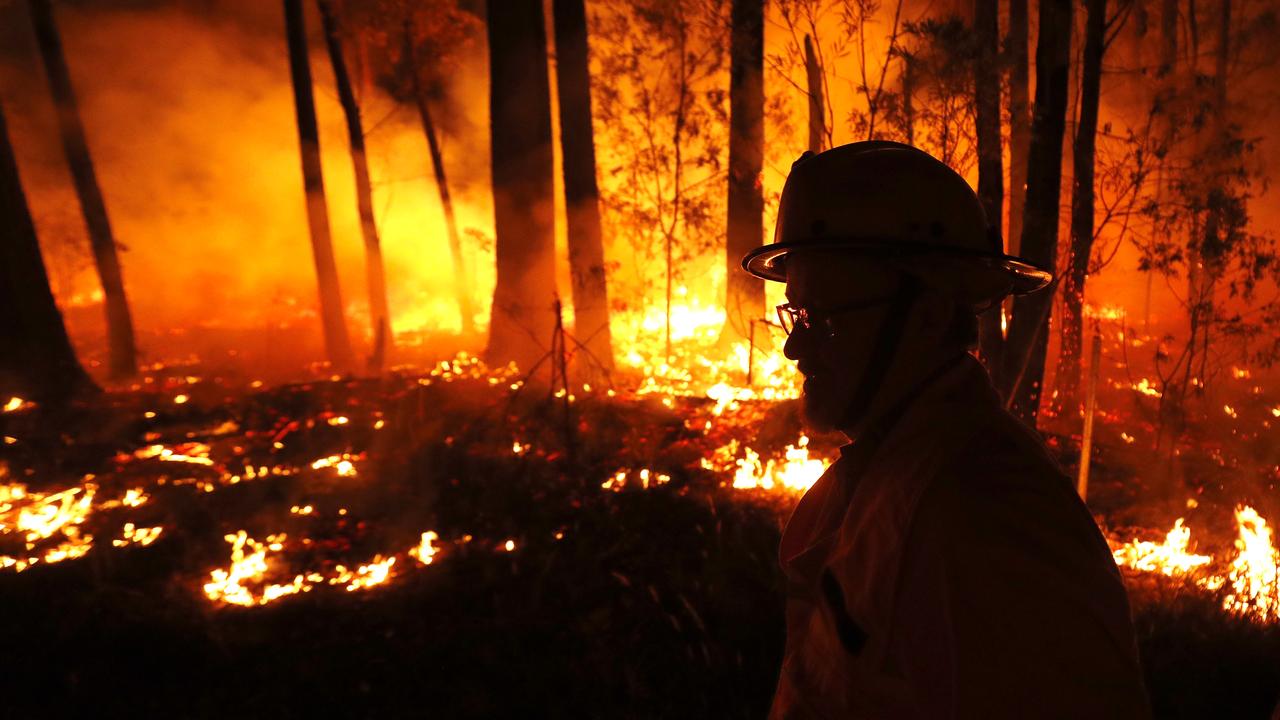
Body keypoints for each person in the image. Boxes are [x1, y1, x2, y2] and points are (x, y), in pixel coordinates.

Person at [741, 141, 1150, 719]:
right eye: (796, 312)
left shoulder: (989, 516)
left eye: (824, 316)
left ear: (930, 314)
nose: (793, 345)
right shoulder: (891, 472)